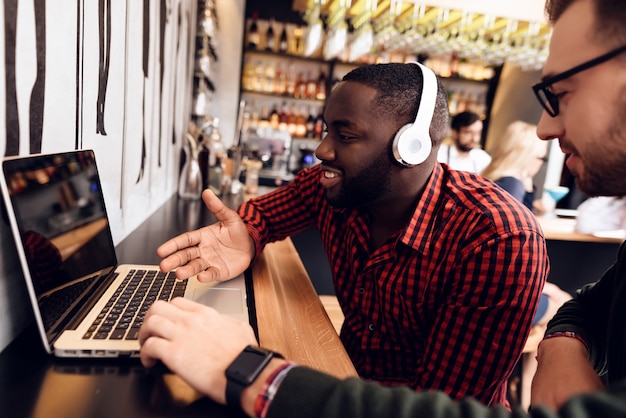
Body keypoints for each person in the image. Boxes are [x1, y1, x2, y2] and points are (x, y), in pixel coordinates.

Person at [138, 63, 549, 414]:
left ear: (412, 146)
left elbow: (435, 409)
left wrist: (252, 371)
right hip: (341, 382)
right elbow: (264, 214)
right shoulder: (336, 187)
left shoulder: (499, 239)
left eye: (345, 136)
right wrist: (247, 234)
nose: (321, 150)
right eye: (325, 131)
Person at [481, 120, 548, 213]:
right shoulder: (512, 185)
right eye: (542, 158)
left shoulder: (499, 180)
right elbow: (521, 225)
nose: (541, 163)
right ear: (526, 156)